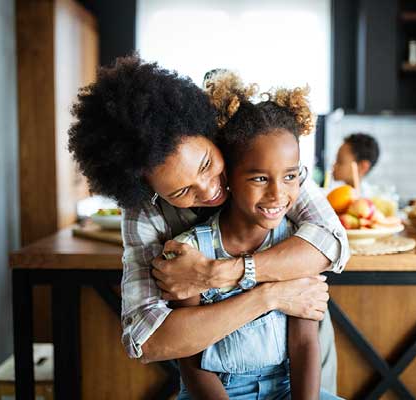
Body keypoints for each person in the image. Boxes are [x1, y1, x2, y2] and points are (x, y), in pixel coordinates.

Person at [67, 55, 349, 393]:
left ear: (211, 134)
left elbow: (331, 242)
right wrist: (270, 296)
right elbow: (149, 339)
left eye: (206, 164)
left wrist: (218, 274)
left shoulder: (260, 159)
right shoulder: (145, 213)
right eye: (182, 190)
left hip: (299, 368)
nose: (210, 189)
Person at [168, 72, 339, 399]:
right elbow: (191, 362)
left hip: (285, 389)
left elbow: (304, 342)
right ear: (227, 177)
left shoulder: (297, 246)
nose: (278, 194)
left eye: (290, 176)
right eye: (260, 178)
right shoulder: (192, 253)